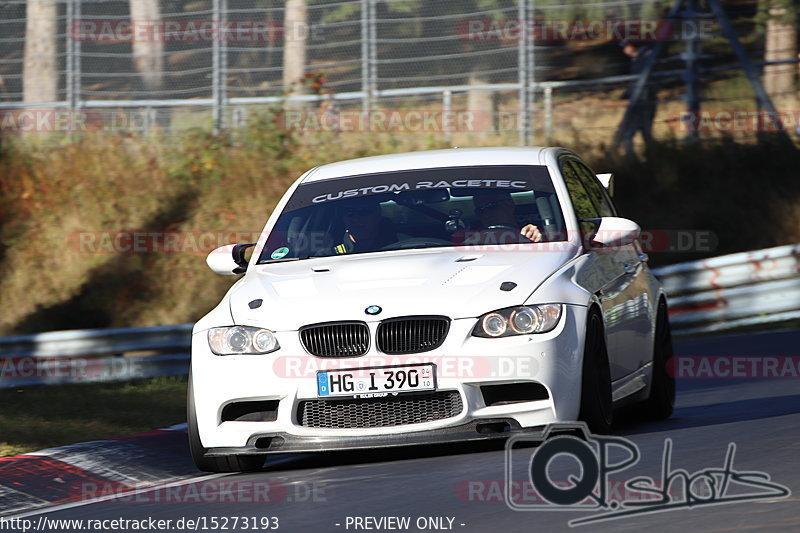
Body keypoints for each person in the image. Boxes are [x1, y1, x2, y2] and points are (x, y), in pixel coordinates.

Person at [619, 40, 657, 155]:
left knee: (629, 133)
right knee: (644, 132)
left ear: (633, 46)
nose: (624, 50)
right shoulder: (637, 59)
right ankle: (651, 156)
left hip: (644, 101)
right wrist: (627, 93)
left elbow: (643, 80)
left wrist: (630, 92)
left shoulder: (645, 57)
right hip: (640, 100)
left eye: (626, 47)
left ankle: (632, 159)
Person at [472, 190, 542, 242]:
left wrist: (536, 237)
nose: (486, 214)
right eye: (480, 211)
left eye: (491, 207)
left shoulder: (531, 229)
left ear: (509, 204)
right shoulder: (472, 237)